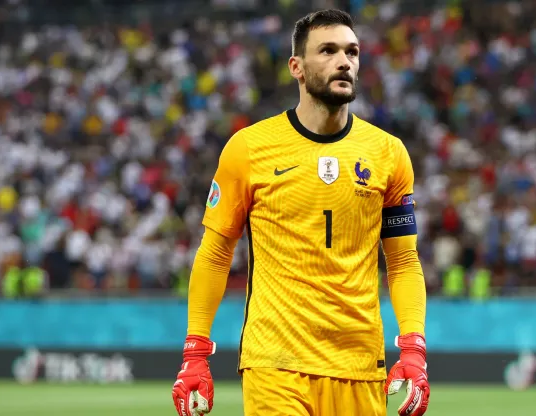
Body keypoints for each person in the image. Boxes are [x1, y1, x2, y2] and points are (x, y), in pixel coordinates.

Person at [171, 9, 429, 416]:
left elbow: (403, 261)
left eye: (352, 52)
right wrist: (195, 352)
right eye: (327, 50)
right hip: (276, 361)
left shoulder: (389, 154)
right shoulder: (249, 148)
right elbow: (215, 253)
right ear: (297, 67)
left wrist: (413, 348)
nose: (344, 61)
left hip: (360, 364)